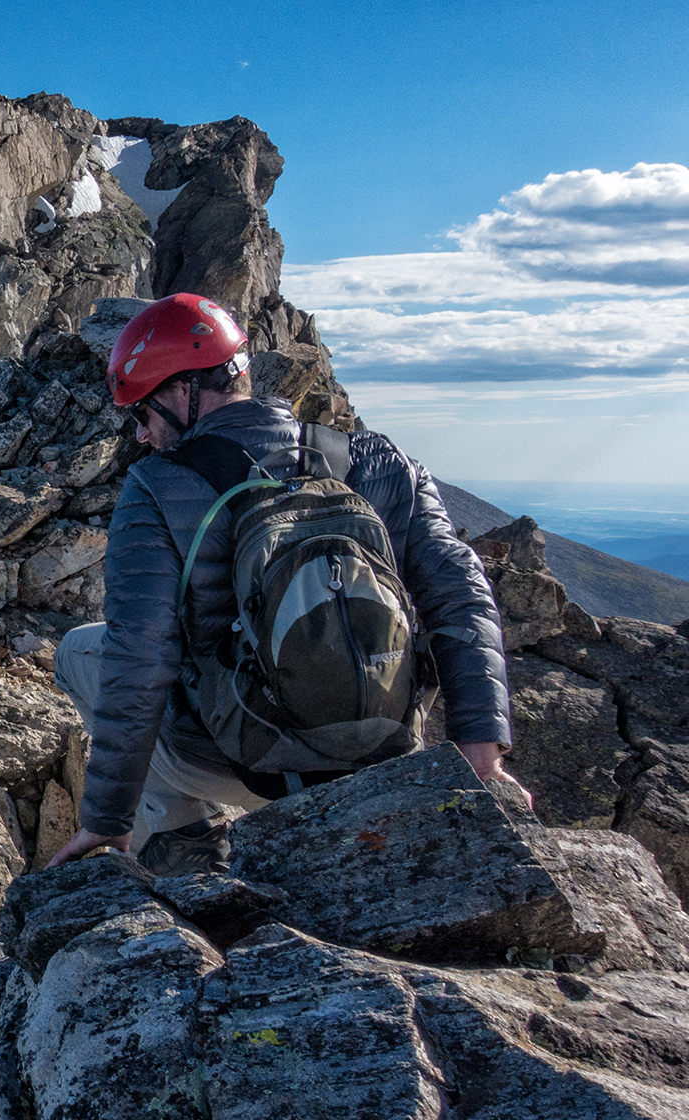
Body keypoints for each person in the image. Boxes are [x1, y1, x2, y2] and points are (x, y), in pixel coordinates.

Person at [46, 292, 529, 875]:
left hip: (249, 762)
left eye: (141, 413)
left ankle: (179, 833)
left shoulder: (155, 487)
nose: (143, 436)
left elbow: (139, 654)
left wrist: (106, 820)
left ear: (182, 392)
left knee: (80, 651)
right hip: (384, 753)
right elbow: (462, 592)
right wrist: (482, 747)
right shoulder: (378, 461)